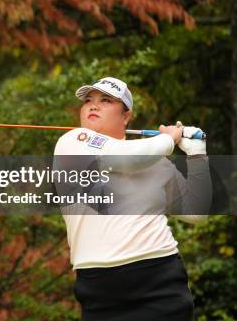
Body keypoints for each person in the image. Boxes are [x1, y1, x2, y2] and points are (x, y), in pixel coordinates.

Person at [53, 76, 211, 321]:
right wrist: (169, 138)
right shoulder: (73, 142)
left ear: (126, 117)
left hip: (161, 277)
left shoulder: (157, 160)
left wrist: (198, 155)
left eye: (105, 101)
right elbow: (126, 157)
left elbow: (197, 213)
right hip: (99, 288)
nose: (93, 106)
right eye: (88, 101)